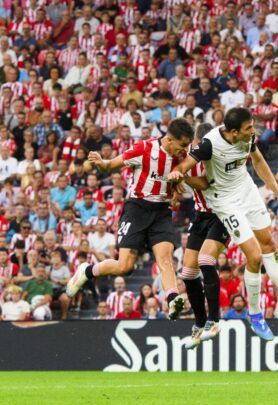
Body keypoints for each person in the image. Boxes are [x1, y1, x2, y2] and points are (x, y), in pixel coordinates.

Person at [167, 108, 278, 341]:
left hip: (247, 191)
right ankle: (255, 315)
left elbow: (257, 160)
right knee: (255, 257)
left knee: (269, 246)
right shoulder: (209, 145)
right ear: (234, 131)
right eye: (249, 127)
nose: (253, 130)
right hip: (225, 202)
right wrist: (177, 175)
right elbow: (183, 166)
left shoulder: (247, 138)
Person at [65, 118, 201, 321]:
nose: (185, 150)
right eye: (182, 145)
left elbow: (181, 180)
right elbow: (110, 165)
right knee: (124, 266)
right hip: (136, 208)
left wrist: (176, 189)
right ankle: (87, 270)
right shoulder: (144, 148)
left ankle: (173, 299)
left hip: (161, 211)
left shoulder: (182, 156)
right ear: (170, 139)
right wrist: (101, 163)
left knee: (165, 258)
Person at [178, 123, 232, 350]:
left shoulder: (215, 157)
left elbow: (202, 183)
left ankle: (214, 321)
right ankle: (199, 325)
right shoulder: (190, 156)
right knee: (188, 273)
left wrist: (180, 175)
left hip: (222, 214)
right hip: (200, 216)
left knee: (206, 261)